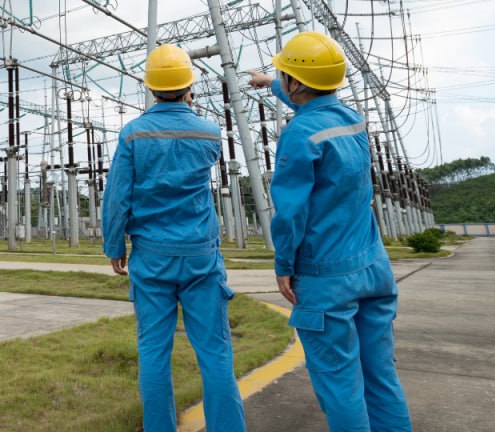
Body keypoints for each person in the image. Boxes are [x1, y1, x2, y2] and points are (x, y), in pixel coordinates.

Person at [247, 31, 412, 432]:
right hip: (373, 268)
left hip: (326, 278)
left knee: (340, 386)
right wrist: (270, 84)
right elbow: (316, 105)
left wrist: (283, 263)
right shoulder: (352, 121)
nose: (281, 77)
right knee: (381, 378)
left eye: (283, 73)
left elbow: (290, 212)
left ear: (298, 82)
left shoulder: (300, 135)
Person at [104, 44, 245, 432]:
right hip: (200, 254)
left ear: (149, 87)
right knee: (215, 352)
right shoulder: (210, 134)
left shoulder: (132, 135)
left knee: (153, 351)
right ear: (189, 87)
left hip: (151, 257)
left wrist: (114, 246)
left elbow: (118, 196)